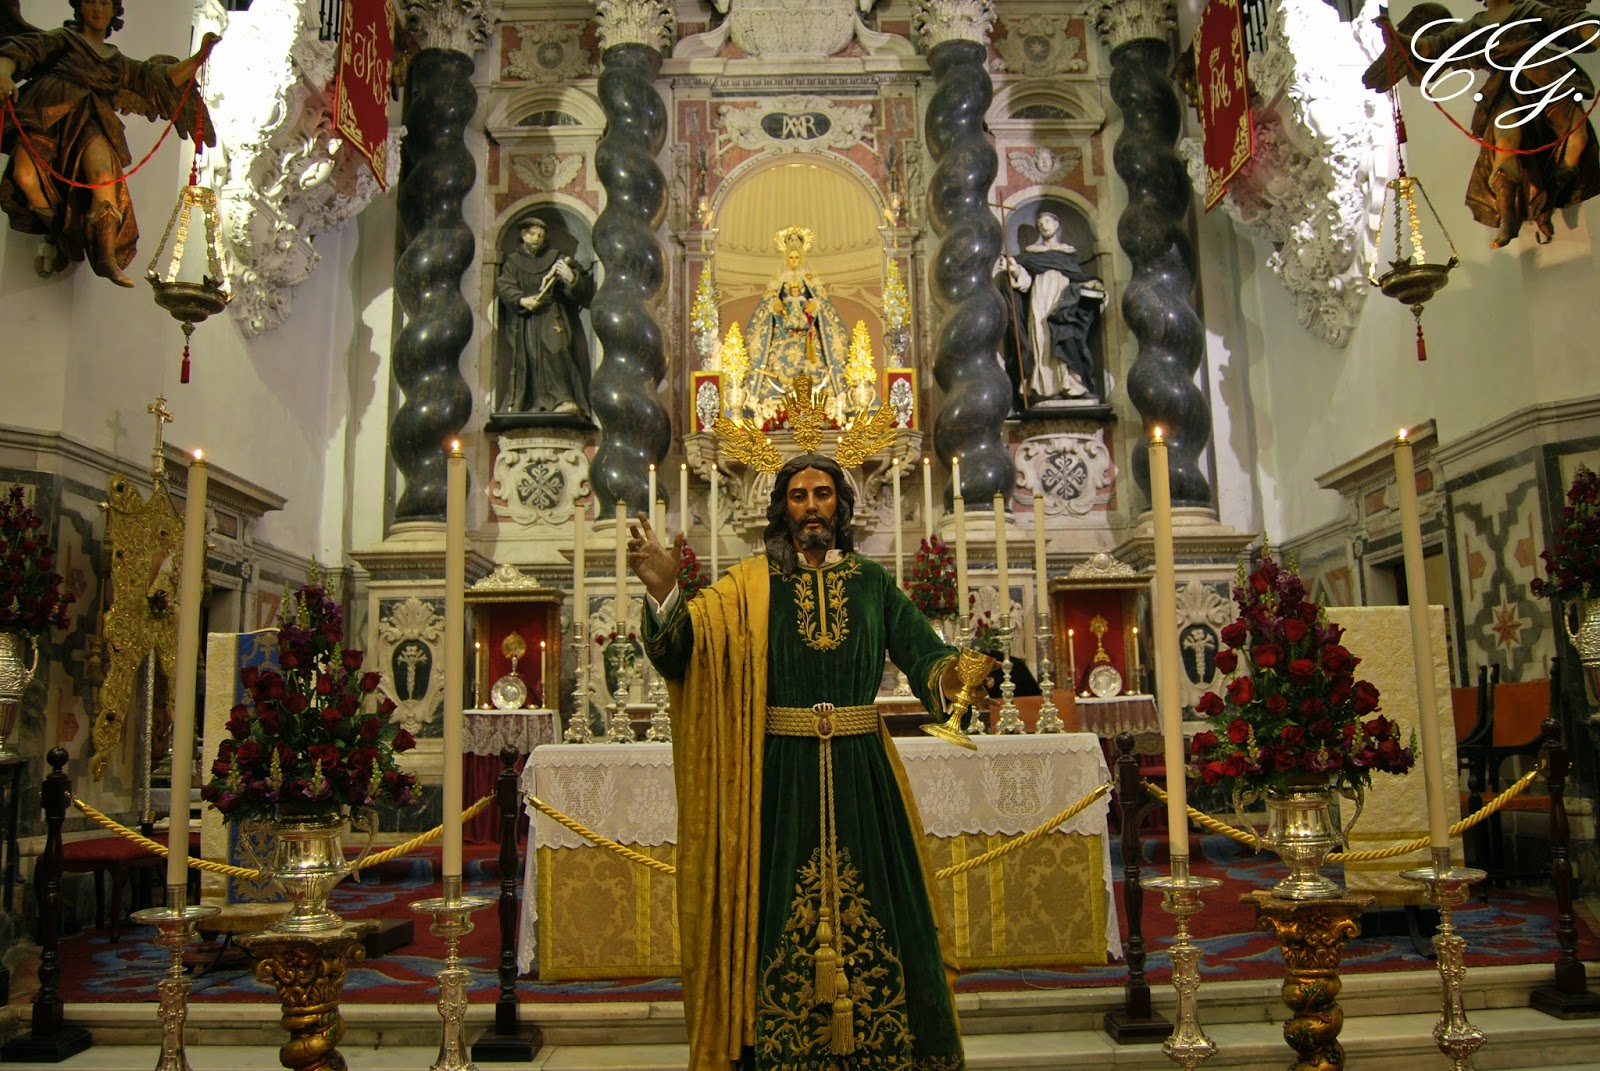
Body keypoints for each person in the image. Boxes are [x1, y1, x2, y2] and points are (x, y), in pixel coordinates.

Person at [628, 453, 968, 1070]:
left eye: (822, 494)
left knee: (889, 906)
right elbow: (684, 653)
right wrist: (664, 589)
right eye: (798, 496)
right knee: (779, 901)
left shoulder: (872, 583)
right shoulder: (749, 585)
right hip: (777, 777)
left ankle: (888, 1048)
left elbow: (923, 653)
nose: (811, 506)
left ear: (841, 504)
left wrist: (952, 675)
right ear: (782, 508)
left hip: (864, 769)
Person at [0, 0, 218, 287]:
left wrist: (198, 58)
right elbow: (20, 50)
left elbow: (158, 78)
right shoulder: (63, 39)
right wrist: (3, 74)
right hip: (44, 112)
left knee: (103, 177)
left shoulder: (117, 63)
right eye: (91, 1)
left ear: (113, 11)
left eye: (104, 3)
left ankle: (106, 258)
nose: (97, 10)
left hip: (91, 117)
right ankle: (58, 228)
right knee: (24, 177)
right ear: (80, 7)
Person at [1363, 0, 1600, 248]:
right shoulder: (1473, 27)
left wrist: (1592, 34)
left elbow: (1568, 24)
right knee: (1505, 142)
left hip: (1548, 77)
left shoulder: (1528, 9)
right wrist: (1395, 35)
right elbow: (1430, 47)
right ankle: (1508, 218)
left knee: (1577, 138)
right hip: (1506, 88)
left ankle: (1549, 197)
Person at [744, 226, 852, 416]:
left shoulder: (810, 280)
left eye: (797, 257)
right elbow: (766, 308)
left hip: (808, 334)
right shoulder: (779, 281)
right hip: (783, 331)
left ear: (802, 258)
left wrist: (815, 307)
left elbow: (824, 307)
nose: (794, 261)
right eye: (791, 257)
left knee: (815, 360)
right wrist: (774, 307)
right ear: (786, 258)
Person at [1003, 212, 1107, 403]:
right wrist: (1015, 269)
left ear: (1057, 224)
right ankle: (1044, 388)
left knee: (1065, 336)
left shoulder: (1066, 253)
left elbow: (1077, 277)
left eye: (1048, 222)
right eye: (1040, 223)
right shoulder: (1030, 255)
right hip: (1039, 299)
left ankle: (1071, 384)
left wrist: (1092, 284)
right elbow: (1024, 283)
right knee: (1042, 341)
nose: (1044, 226)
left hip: (1063, 300)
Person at [495, 216, 594, 415]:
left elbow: (581, 292)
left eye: (540, 236)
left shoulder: (556, 258)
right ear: (523, 235)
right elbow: (505, 286)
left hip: (552, 315)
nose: (536, 239)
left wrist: (570, 276)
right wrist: (522, 300)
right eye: (532, 235)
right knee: (531, 357)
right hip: (526, 321)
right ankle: (533, 403)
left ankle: (564, 399)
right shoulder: (513, 262)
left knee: (557, 351)